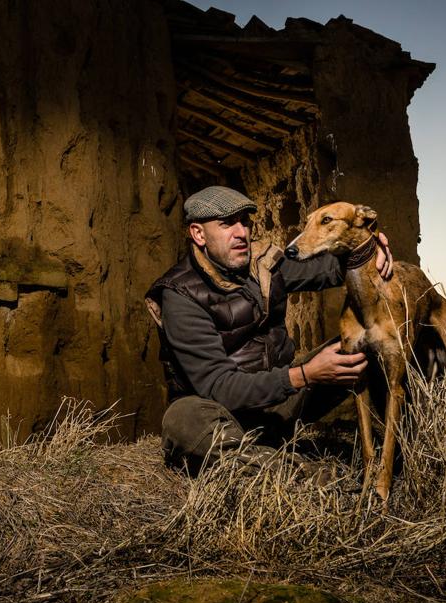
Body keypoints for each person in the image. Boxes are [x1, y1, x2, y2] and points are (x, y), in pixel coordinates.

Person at [144, 186, 393, 475]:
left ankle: (398, 445)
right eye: (227, 224)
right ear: (198, 234)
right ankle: (308, 477)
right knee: (183, 420)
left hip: (281, 402)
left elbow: (333, 268)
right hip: (226, 415)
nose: (241, 233)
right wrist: (305, 374)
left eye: (245, 222)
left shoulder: (264, 263)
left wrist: (371, 248)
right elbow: (218, 387)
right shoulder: (179, 294)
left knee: (366, 345)